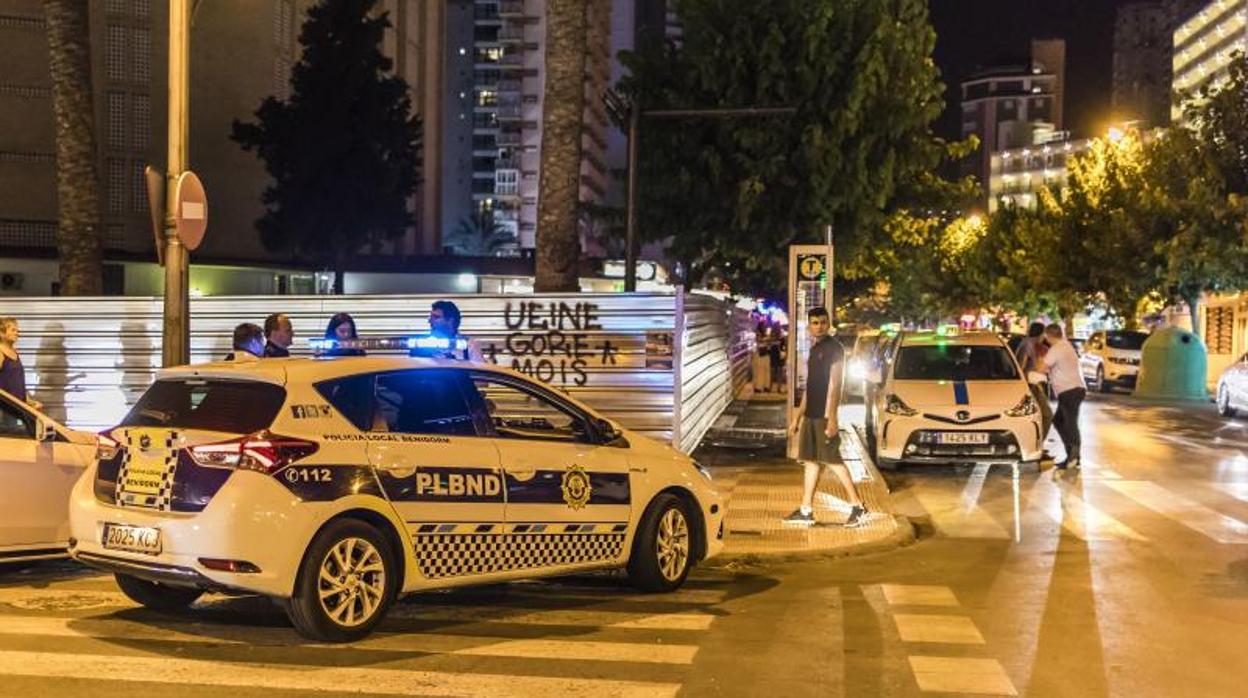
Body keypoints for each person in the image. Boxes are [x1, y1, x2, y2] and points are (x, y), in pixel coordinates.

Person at [782, 308, 867, 527]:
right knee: (811, 462)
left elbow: (835, 384)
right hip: (811, 415)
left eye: (822, 322)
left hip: (824, 416)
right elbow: (811, 387)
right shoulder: (814, 349)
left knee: (833, 460)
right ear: (809, 325)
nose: (818, 326)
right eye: (814, 322)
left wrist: (832, 417)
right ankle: (806, 510)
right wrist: (797, 418)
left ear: (829, 323)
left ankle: (858, 506)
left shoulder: (834, 348)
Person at [1040, 323, 1086, 469]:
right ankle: (1072, 455)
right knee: (1059, 421)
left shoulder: (1057, 348)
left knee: (1070, 422)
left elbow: (1042, 367)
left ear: (1047, 336)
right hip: (1074, 389)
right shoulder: (1066, 345)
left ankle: (1073, 457)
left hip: (1069, 390)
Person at [1015, 321, 1054, 449]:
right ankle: (1036, 445)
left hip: (1035, 383)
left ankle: (1035, 444)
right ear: (1041, 332)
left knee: (1038, 415)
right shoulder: (1028, 344)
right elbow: (1021, 365)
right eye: (1044, 333)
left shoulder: (1032, 343)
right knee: (1046, 415)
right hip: (1032, 384)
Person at [419, 300, 483, 361]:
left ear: (450, 321)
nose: (430, 321)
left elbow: (480, 371)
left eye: (436, 317)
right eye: (431, 317)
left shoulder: (469, 346)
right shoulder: (421, 345)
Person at [0, 317, 38, 408]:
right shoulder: (0, 353)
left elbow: (18, 381)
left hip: (17, 408)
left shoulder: (14, 352)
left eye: (17, 331)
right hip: (5, 409)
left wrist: (28, 400)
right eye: (13, 330)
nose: (17, 333)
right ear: (1, 333)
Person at [752, 322, 772, 392]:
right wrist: (767, 339)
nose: (765, 327)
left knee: (767, 371)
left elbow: (767, 343)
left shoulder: (765, 334)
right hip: (761, 354)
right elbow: (760, 341)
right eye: (763, 326)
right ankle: (759, 387)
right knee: (760, 371)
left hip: (765, 354)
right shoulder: (758, 334)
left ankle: (766, 386)